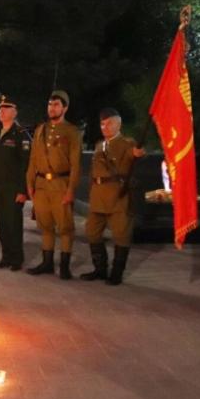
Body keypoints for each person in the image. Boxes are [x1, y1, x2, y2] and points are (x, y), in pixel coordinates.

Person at [81, 108, 146, 285]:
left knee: (121, 235)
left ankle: (116, 273)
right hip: (98, 195)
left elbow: (137, 153)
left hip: (118, 196)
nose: (105, 127)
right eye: (102, 123)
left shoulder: (127, 143)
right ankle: (100, 269)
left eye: (109, 123)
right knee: (92, 232)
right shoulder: (99, 145)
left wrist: (138, 153)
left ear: (119, 124)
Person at [26, 89, 82, 279]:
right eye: (50, 104)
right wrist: (29, 183)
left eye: (57, 105)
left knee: (65, 228)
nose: (52, 108)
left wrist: (71, 189)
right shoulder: (40, 130)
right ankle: (47, 263)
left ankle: (65, 267)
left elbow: (75, 164)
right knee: (46, 226)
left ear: (65, 108)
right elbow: (33, 159)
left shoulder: (71, 131)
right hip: (41, 186)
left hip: (61, 185)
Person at [0, 95, 30, 271]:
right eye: (0, 109)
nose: (1, 112)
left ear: (14, 112)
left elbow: (24, 164)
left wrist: (22, 190)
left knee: (14, 224)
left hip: (13, 187)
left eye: (5, 108)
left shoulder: (20, 135)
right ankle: (6, 256)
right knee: (2, 224)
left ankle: (17, 259)